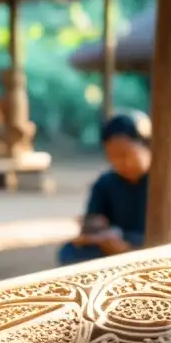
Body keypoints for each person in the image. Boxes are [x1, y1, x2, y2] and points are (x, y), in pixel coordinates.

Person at [57, 110, 152, 266]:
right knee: (70, 252)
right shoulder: (105, 183)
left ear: (146, 146)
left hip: (151, 246)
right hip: (112, 245)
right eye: (112, 156)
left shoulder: (162, 184)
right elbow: (94, 221)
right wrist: (93, 228)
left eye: (125, 154)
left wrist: (130, 249)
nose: (120, 162)